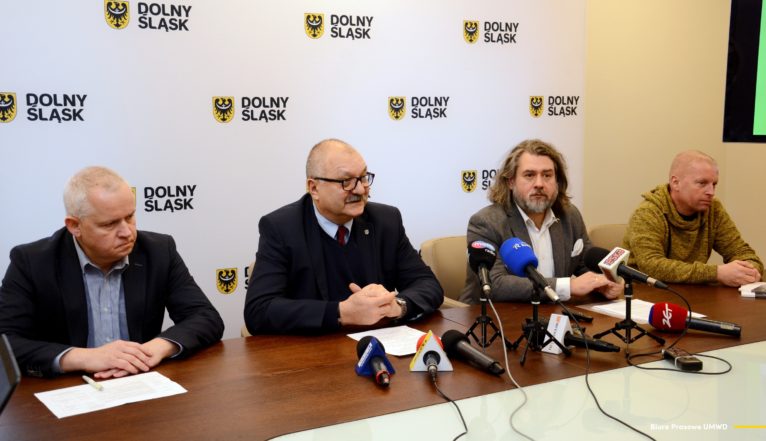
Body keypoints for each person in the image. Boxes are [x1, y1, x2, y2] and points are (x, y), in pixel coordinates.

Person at [0, 166, 224, 378]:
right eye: (109, 224)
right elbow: (5, 340)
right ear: (74, 226)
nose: (127, 232)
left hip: (140, 381)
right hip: (67, 388)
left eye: (130, 217)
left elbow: (206, 317)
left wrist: (155, 348)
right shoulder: (32, 261)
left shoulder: (158, 251)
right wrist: (84, 357)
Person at [245, 139, 443, 334]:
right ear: (314, 188)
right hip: (313, 346)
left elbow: (428, 285)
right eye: (346, 182)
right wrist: (341, 312)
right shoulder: (281, 227)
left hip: (378, 342)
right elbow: (259, 310)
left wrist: (398, 306)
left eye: (363, 177)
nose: (360, 189)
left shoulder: (386, 220)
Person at [459, 139, 622, 304]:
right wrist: (567, 286)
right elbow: (495, 285)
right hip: (496, 315)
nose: (539, 184)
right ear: (511, 182)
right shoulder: (487, 222)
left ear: (557, 181)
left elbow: (584, 264)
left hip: (554, 313)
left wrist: (605, 282)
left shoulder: (569, 215)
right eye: (529, 175)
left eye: (547, 175)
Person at [622, 150, 763, 286]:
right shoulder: (648, 212)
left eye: (714, 184)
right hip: (643, 293)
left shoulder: (713, 209)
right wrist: (716, 273)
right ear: (675, 183)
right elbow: (651, 266)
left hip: (695, 293)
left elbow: (742, 253)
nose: (711, 192)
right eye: (702, 183)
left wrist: (750, 271)